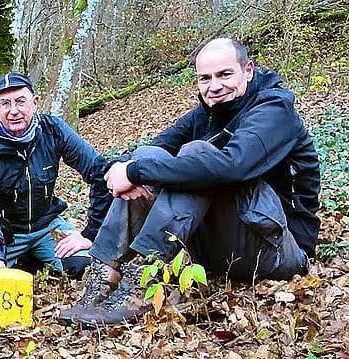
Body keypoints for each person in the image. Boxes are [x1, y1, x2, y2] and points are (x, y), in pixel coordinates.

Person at [59, 38, 320, 326]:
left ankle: (147, 280)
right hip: (222, 247)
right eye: (205, 78)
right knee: (148, 156)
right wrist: (126, 168)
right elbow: (148, 152)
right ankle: (105, 272)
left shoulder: (274, 110)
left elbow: (232, 167)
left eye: (225, 74)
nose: (214, 86)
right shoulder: (208, 112)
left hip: (279, 251)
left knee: (198, 156)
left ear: (248, 70)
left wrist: (134, 172)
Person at [0, 72, 113, 307]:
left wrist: (90, 233)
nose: (13, 111)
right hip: (4, 234)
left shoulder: (53, 130)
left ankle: (33, 257)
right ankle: (13, 258)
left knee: (87, 269)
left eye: (20, 101)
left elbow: (101, 172)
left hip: (46, 226)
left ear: (35, 103)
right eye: (5, 104)